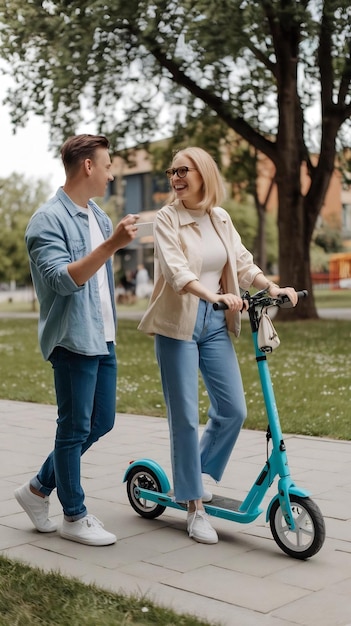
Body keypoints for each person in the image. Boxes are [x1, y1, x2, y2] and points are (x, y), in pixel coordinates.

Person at [138, 147, 297, 545]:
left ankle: (196, 474)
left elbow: (242, 263)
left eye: (183, 170)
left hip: (213, 324)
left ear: (203, 174)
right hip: (179, 324)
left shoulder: (219, 217)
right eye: (172, 171)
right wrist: (215, 296)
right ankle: (193, 507)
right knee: (186, 418)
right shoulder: (166, 218)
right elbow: (177, 272)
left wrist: (273, 287)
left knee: (232, 409)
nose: (175, 178)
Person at [15, 134, 140, 546]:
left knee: (100, 421)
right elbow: (62, 281)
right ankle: (74, 514)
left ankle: (36, 490)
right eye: (107, 165)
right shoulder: (46, 220)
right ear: (88, 166)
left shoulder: (99, 217)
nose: (110, 173)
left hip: (103, 336)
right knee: (72, 428)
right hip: (71, 339)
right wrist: (112, 245)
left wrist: (110, 240)